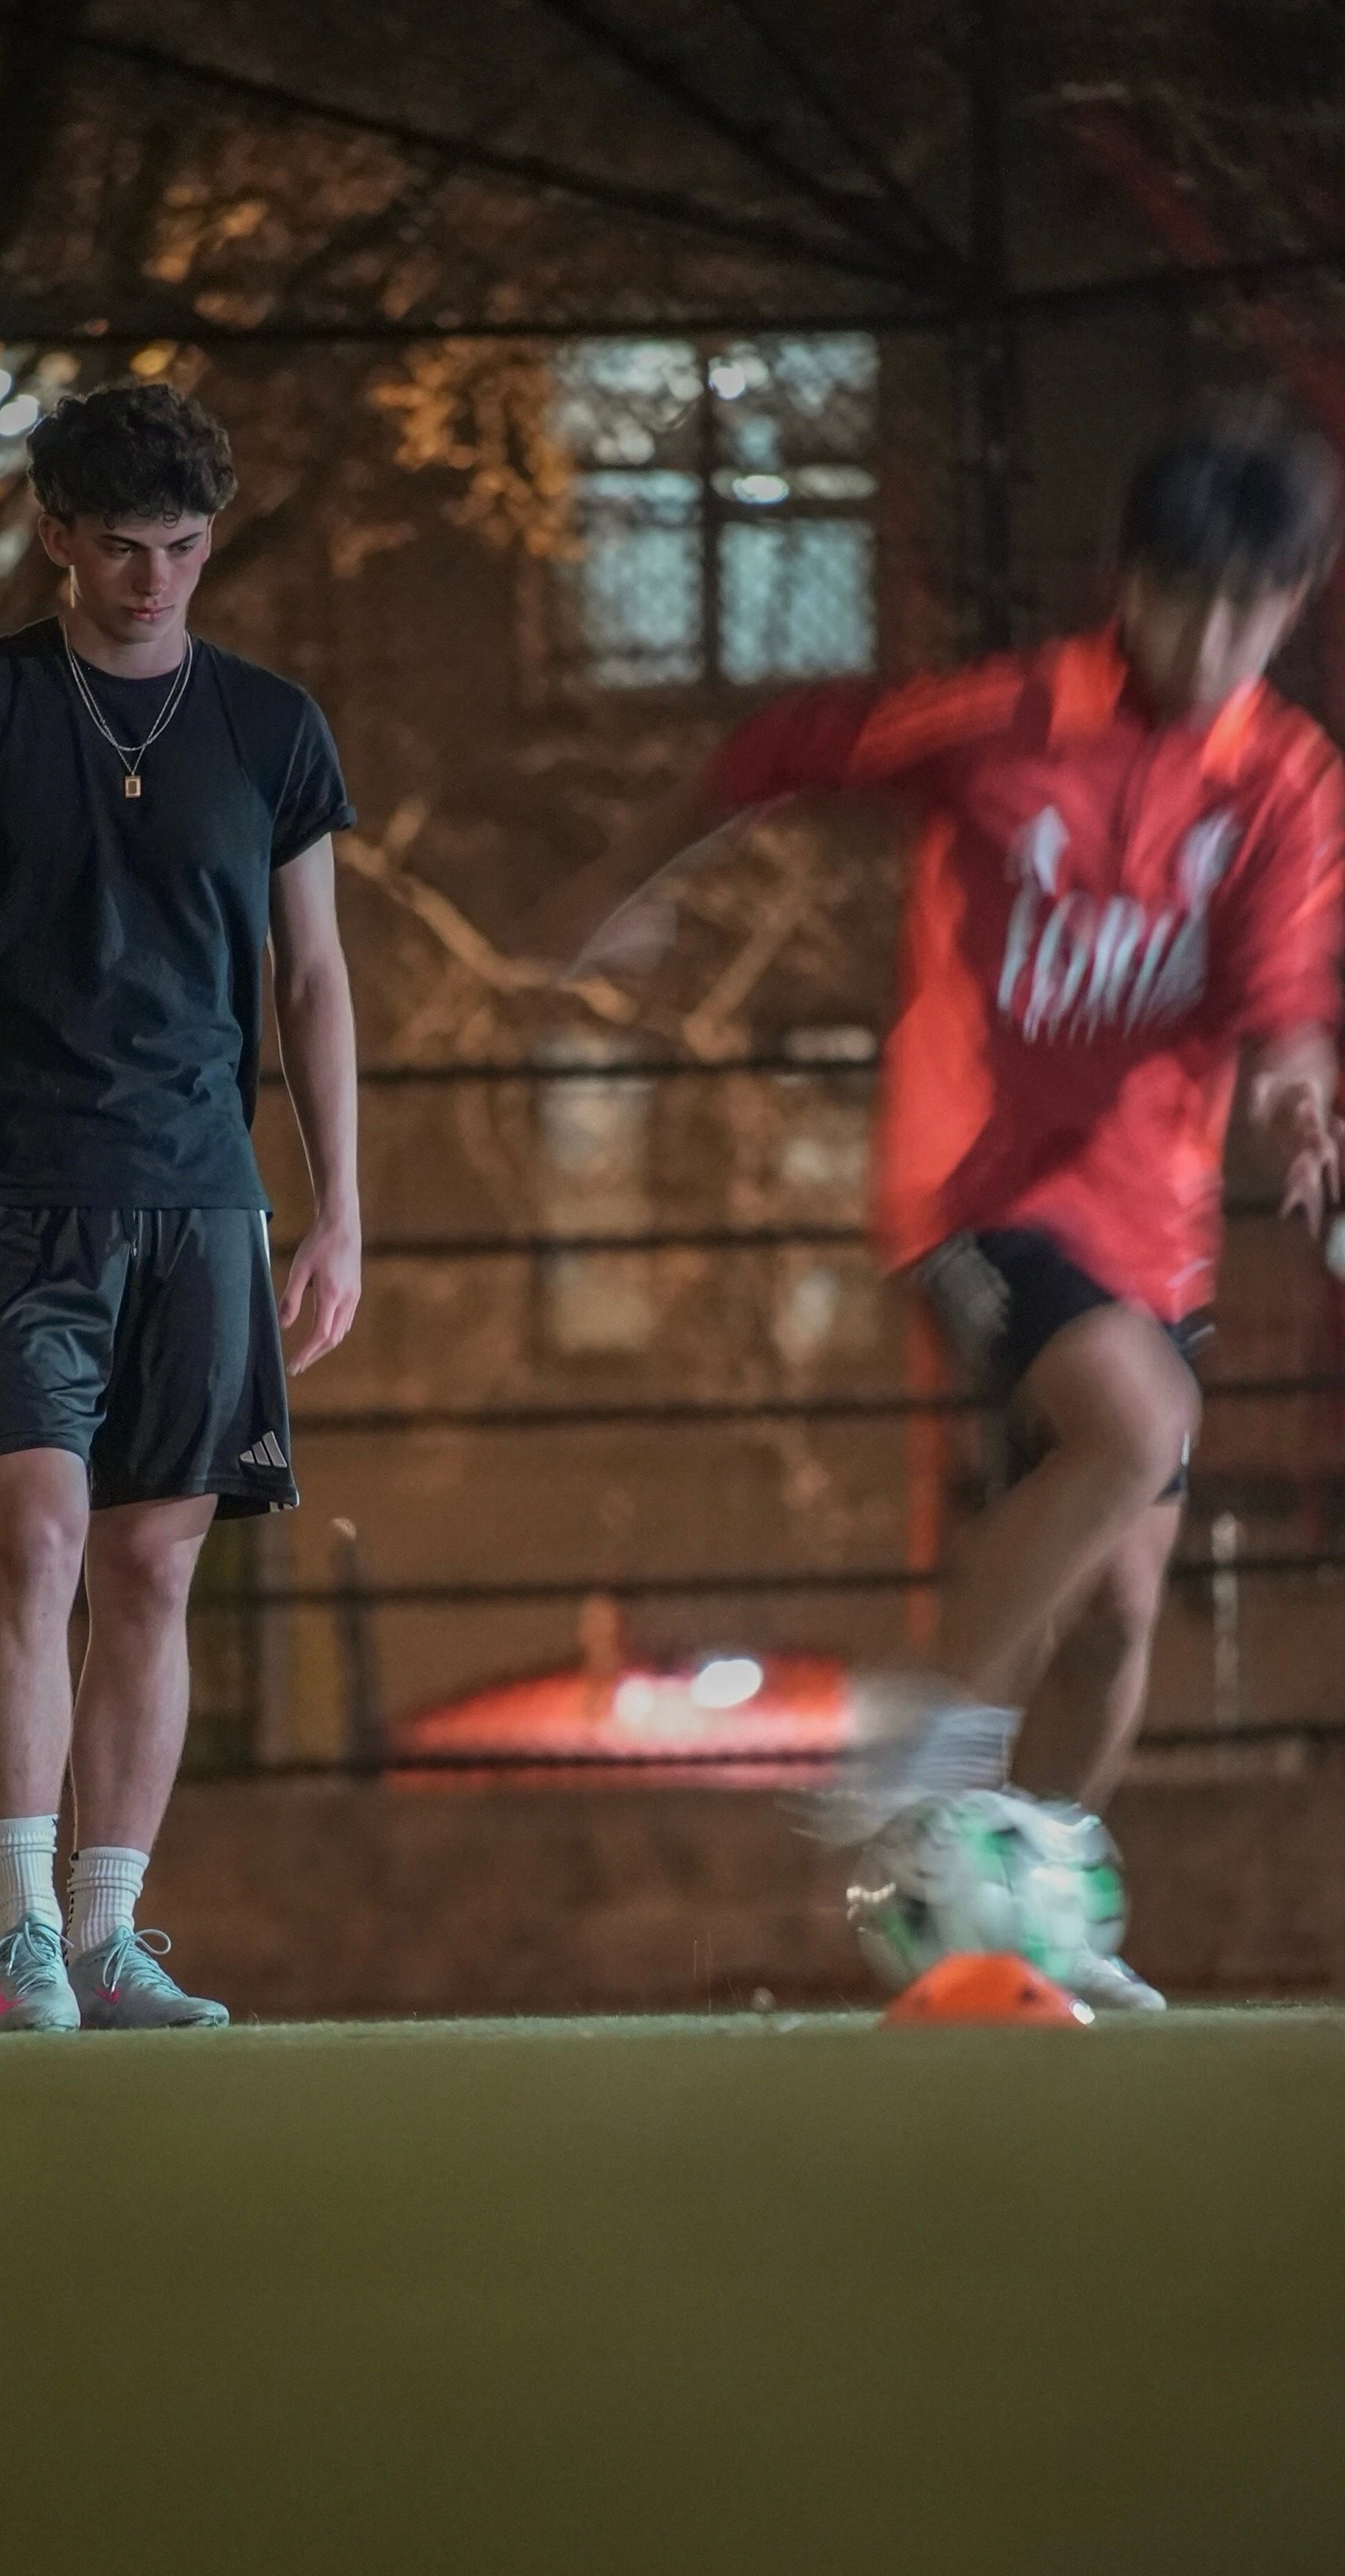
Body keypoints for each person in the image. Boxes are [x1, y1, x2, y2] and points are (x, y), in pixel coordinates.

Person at [537, 400, 1345, 2008]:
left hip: (1154, 1223)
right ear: (1133, 581)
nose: (1215, 639)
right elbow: (778, 750)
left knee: (1121, 1617)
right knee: (1135, 1426)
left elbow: (1277, 1005)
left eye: (1256, 610)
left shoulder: (1288, 782)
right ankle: (924, 1742)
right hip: (972, 1186)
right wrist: (616, 888)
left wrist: (1301, 1091)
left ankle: (1028, 1914)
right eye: (1186, 599)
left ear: (1298, 604)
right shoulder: (1008, 718)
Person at [0, 382, 361, 2031]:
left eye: (185, 548)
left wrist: (340, 1204)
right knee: (35, 1537)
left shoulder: (271, 727)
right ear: (55, 537)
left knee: (150, 1567)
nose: (154, 580)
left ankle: (114, 1929)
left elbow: (318, 977)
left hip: (202, 1203)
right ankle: (20, 1939)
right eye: (121, 547)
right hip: (17, 1194)